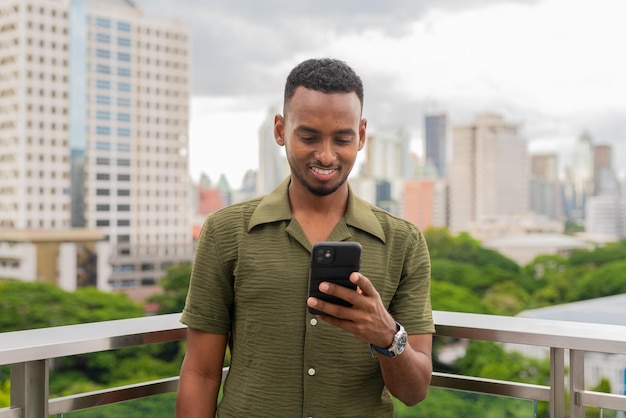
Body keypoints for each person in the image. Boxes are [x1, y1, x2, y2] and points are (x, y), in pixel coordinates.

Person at [175, 58, 435, 417]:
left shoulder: (403, 242)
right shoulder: (225, 231)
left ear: (361, 136)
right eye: (309, 137)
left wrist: (387, 335)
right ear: (280, 130)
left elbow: (415, 391)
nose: (326, 155)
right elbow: (201, 373)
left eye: (342, 139)